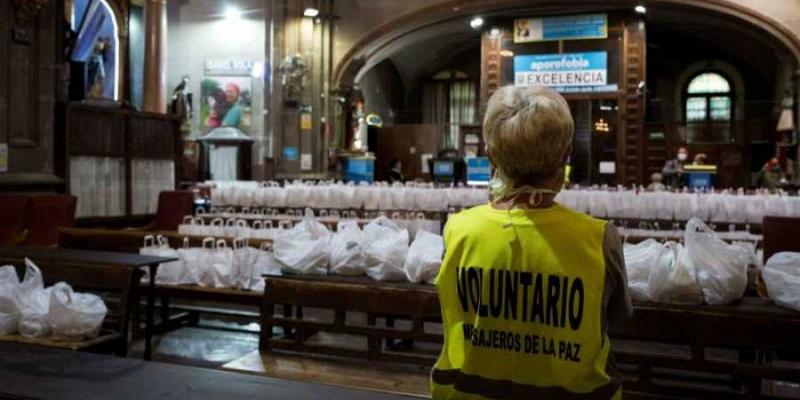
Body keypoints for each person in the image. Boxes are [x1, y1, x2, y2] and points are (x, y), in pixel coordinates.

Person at [431, 85, 632, 400]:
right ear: (565, 156)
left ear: (491, 156)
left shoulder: (458, 230)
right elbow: (618, 317)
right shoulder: (598, 238)